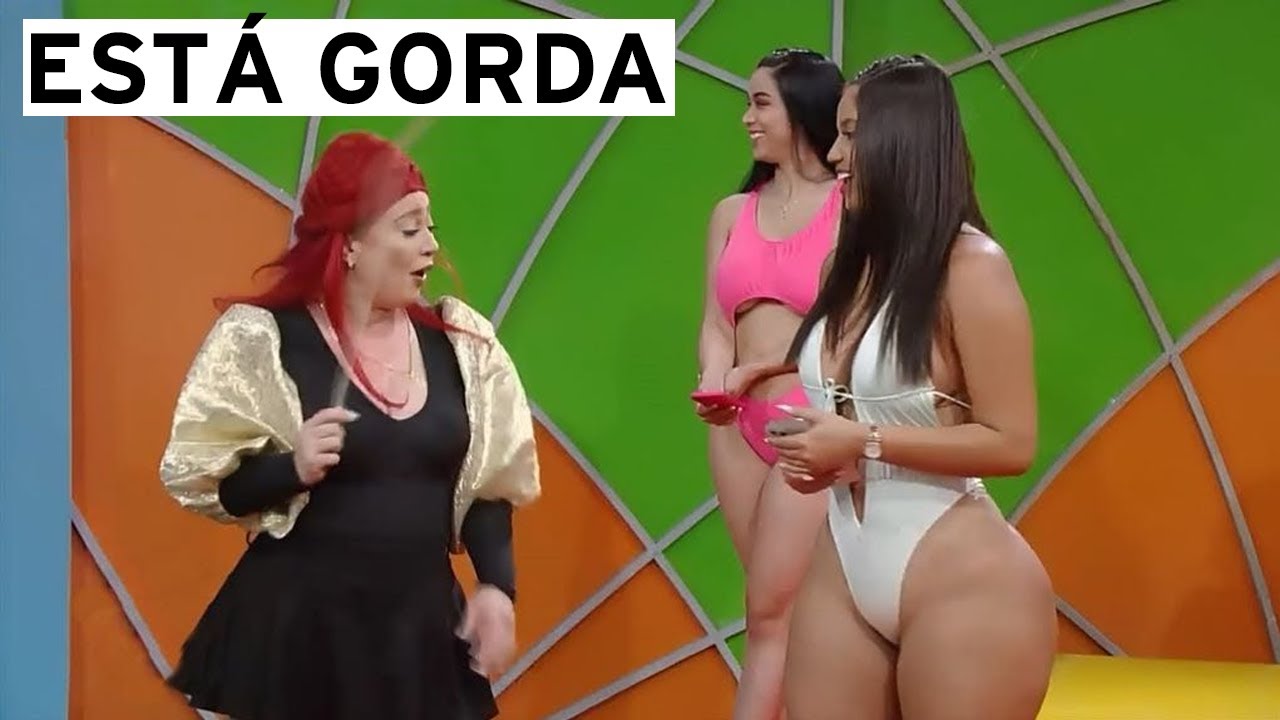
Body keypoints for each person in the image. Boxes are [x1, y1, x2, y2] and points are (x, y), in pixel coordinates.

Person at [159, 131, 541, 720]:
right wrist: (293, 467)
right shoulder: (267, 339)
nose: (431, 247)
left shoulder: (461, 347)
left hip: (417, 635)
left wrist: (496, 588)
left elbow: (488, 489)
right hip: (303, 635)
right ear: (351, 245)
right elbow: (219, 486)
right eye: (409, 230)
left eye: (430, 228)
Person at [768, 55, 1056, 719]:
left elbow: (1012, 442)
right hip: (844, 556)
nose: (835, 154)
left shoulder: (972, 267)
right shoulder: (844, 266)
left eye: (850, 134)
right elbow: (851, 402)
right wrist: (826, 453)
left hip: (959, 575)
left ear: (899, 140)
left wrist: (860, 441)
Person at [692, 47, 845, 720]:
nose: (746, 118)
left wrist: (773, 370)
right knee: (770, 608)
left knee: (772, 611)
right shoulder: (731, 212)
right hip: (734, 425)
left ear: (802, 110)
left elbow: (854, 328)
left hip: (808, 419)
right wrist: (714, 378)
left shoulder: (854, 206)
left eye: (760, 103)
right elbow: (715, 322)